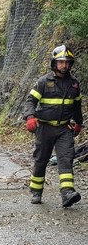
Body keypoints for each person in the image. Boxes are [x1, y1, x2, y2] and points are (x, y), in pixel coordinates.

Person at [23, 44, 83, 207]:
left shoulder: (74, 85)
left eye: (67, 62)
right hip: (44, 128)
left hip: (64, 129)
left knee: (66, 158)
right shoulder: (43, 82)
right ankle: (36, 192)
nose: (65, 65)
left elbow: (76, 106)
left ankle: (67, 193)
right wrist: (30, 117)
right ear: (54, 63)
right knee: (41, 160)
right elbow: (30, 101)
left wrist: (78, 123)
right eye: (61, 62)